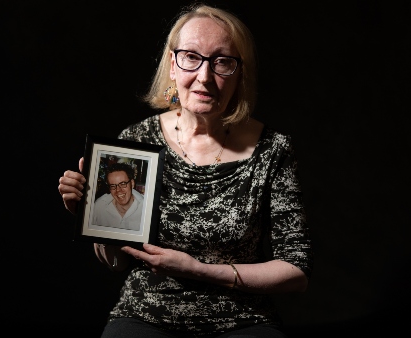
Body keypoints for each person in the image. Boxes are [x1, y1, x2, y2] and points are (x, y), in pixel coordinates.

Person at [58, 3, 313, 337]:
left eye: (222, 62)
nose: (204, 77)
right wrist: (92, 218)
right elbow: (118, 262)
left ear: (239, 74)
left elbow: (295, 271)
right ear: (172, 65)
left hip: (242, 319)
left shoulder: (273, 149)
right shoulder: (135, 142)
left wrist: (200, 270)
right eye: (191, 57)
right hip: (146, 313)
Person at [93, 162, 144, 231]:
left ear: (132, 183)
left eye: (123, 184)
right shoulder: (99, 206)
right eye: (113, 186)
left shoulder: (146, 207)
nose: (118, 190)